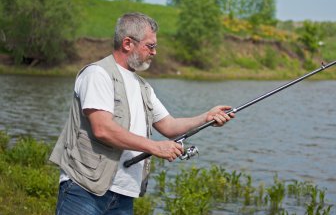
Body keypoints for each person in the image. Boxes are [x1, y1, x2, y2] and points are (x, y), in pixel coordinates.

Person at [50, 12, 234, 215]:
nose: (154, 53)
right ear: (128, 43)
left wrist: (206, 117)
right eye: (151, 46)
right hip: (84, 188)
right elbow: (102, 129)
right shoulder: (98, 74)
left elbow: (169, 127)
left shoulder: (143, 87)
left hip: (123, 194)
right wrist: (155, 147)